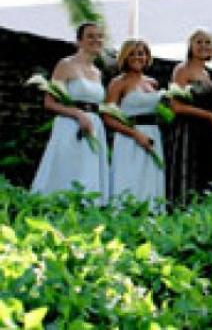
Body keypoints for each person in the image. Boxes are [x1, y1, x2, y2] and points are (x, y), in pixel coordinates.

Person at [31, 22, 110, 204]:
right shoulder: (66, 64)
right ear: (79, 41)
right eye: (90, 36)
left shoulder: (97, 73)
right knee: (67, 171)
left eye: (99, 36)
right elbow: (49, 103)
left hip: (93, 128)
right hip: (69, 126)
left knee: (87, 174)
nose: (96, 40)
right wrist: (77, 114)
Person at [167, 28, 212, 205]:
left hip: (209, 132)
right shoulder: (182, 70)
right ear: (190, 46)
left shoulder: (211, 73)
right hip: (189, 129)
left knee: (208, 174)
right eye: (198, 42)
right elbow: (175, 106)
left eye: (207, 42)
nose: (203, 46)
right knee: (190, 172)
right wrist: (208, 116)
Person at [103, 39, 165, 203]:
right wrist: (135, 134)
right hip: (129, 138)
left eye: (141, 53)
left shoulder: (152, 83)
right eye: (132, 53)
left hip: (153, 135)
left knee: (150, 177)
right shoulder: (118, 83)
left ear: (147, 57)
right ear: (124, 56)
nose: (137, 57)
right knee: (129, 177)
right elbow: (108, 117)